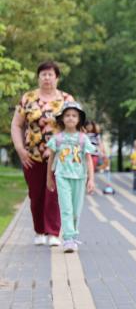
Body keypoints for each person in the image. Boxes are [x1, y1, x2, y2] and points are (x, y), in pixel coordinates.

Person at [10, 61, 75, 247]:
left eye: (50, 74)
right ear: (38, 77)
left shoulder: (66, 99)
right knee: (36, 194)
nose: (47, 78)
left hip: (59, 155)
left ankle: (53, 232)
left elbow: (73, 125)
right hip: (32, 156)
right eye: (43, 74)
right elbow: (16, 125)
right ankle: (39, 230)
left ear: (57, 77)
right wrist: (20, 148)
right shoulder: (28, 98)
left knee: (54, 193)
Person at [46, 101, 96, 252]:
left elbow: (88, 160)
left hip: (79, 178)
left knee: (76, 210)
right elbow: (50, 159)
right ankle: (68, 239)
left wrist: (91, 179)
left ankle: (73, 236)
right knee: (66, 208)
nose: (70, 118)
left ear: (79, 119)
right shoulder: (57, 138)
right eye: (67, 115)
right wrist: (49, 178)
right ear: (62, 118)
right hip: (62, 176)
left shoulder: (83, 139)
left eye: (74, 115)